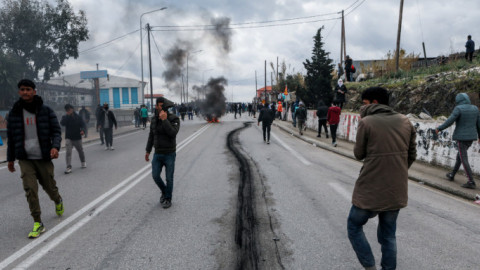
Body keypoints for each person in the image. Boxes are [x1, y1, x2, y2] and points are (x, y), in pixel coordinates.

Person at [348, 87, 416, 270]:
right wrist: (396, 171)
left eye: (364, 104)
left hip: (370, 189)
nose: (362, 108)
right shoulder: (405, 121)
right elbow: (412, 155)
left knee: (354, 225)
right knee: (388, 235)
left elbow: (358, 154)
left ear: (374, 103)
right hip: (396, 189)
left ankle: (370, 266)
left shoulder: (367, 122)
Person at [7, 79, 64, 238]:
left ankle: (58, 200)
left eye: (28, 89)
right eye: (22, 89)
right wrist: (10, 159)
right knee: (30, 189)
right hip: (25, 158)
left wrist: (55, 146)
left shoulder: (46, 111)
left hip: (43, 157)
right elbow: (11, 138)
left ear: (34, 91)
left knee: (49, 188)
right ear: (19, 92)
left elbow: (56, 132)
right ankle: (38, 222)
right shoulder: (14, 112)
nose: (25, 92)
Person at [436, 93, 480, 189]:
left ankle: (471, 181)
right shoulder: (475, 109)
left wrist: (439, 128)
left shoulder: (459, 109)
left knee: (463, 158)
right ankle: (452, 174)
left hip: (462, 138)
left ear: (458, 101)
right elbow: (478, 124)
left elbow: (450, 121)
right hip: (471, 138)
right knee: (459, 156)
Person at [145, 97, 180, 209]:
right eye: (156, 105)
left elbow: (173, 133)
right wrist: (148, 150)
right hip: (158, 153)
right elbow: (151, 136)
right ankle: (165, 192)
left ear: (164, 107)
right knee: (155, 176)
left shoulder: (174, 118)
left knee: (169, 178)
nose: (157, 107)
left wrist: (165, 120)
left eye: (159, 105)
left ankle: (168, 199)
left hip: (169, 153)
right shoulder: (154, 119)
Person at [60, 104, 86, 174]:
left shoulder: (78, 117)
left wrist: (83, 130)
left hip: (77, 137)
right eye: (67, 110)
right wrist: (67, 116)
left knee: (80, 151)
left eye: (69, 109)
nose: (68, 111)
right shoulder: (65, 117)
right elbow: (62, 123)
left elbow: (83, 124)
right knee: (68, 152)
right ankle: (68, 167)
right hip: (69, 138)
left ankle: (83, 161)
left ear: (72, 109)